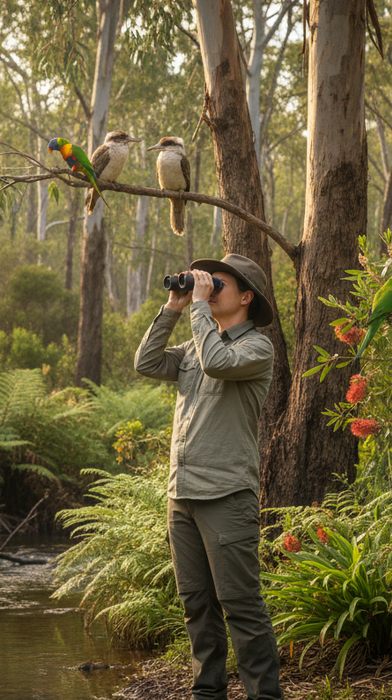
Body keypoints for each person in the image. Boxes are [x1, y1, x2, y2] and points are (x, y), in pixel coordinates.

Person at [134, 253, 282, 700]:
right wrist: (174, 307)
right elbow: (145, 362)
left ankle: (264, 695)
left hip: (226, 495)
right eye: (206, 284)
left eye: (217, 285)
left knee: (240, 604)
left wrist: (198, 308)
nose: (208, 289)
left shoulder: (257, 349)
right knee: (196, 604)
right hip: (182, 494)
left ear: (245, 297)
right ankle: (207, 692)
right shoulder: (194, 346)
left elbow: (218, 362)